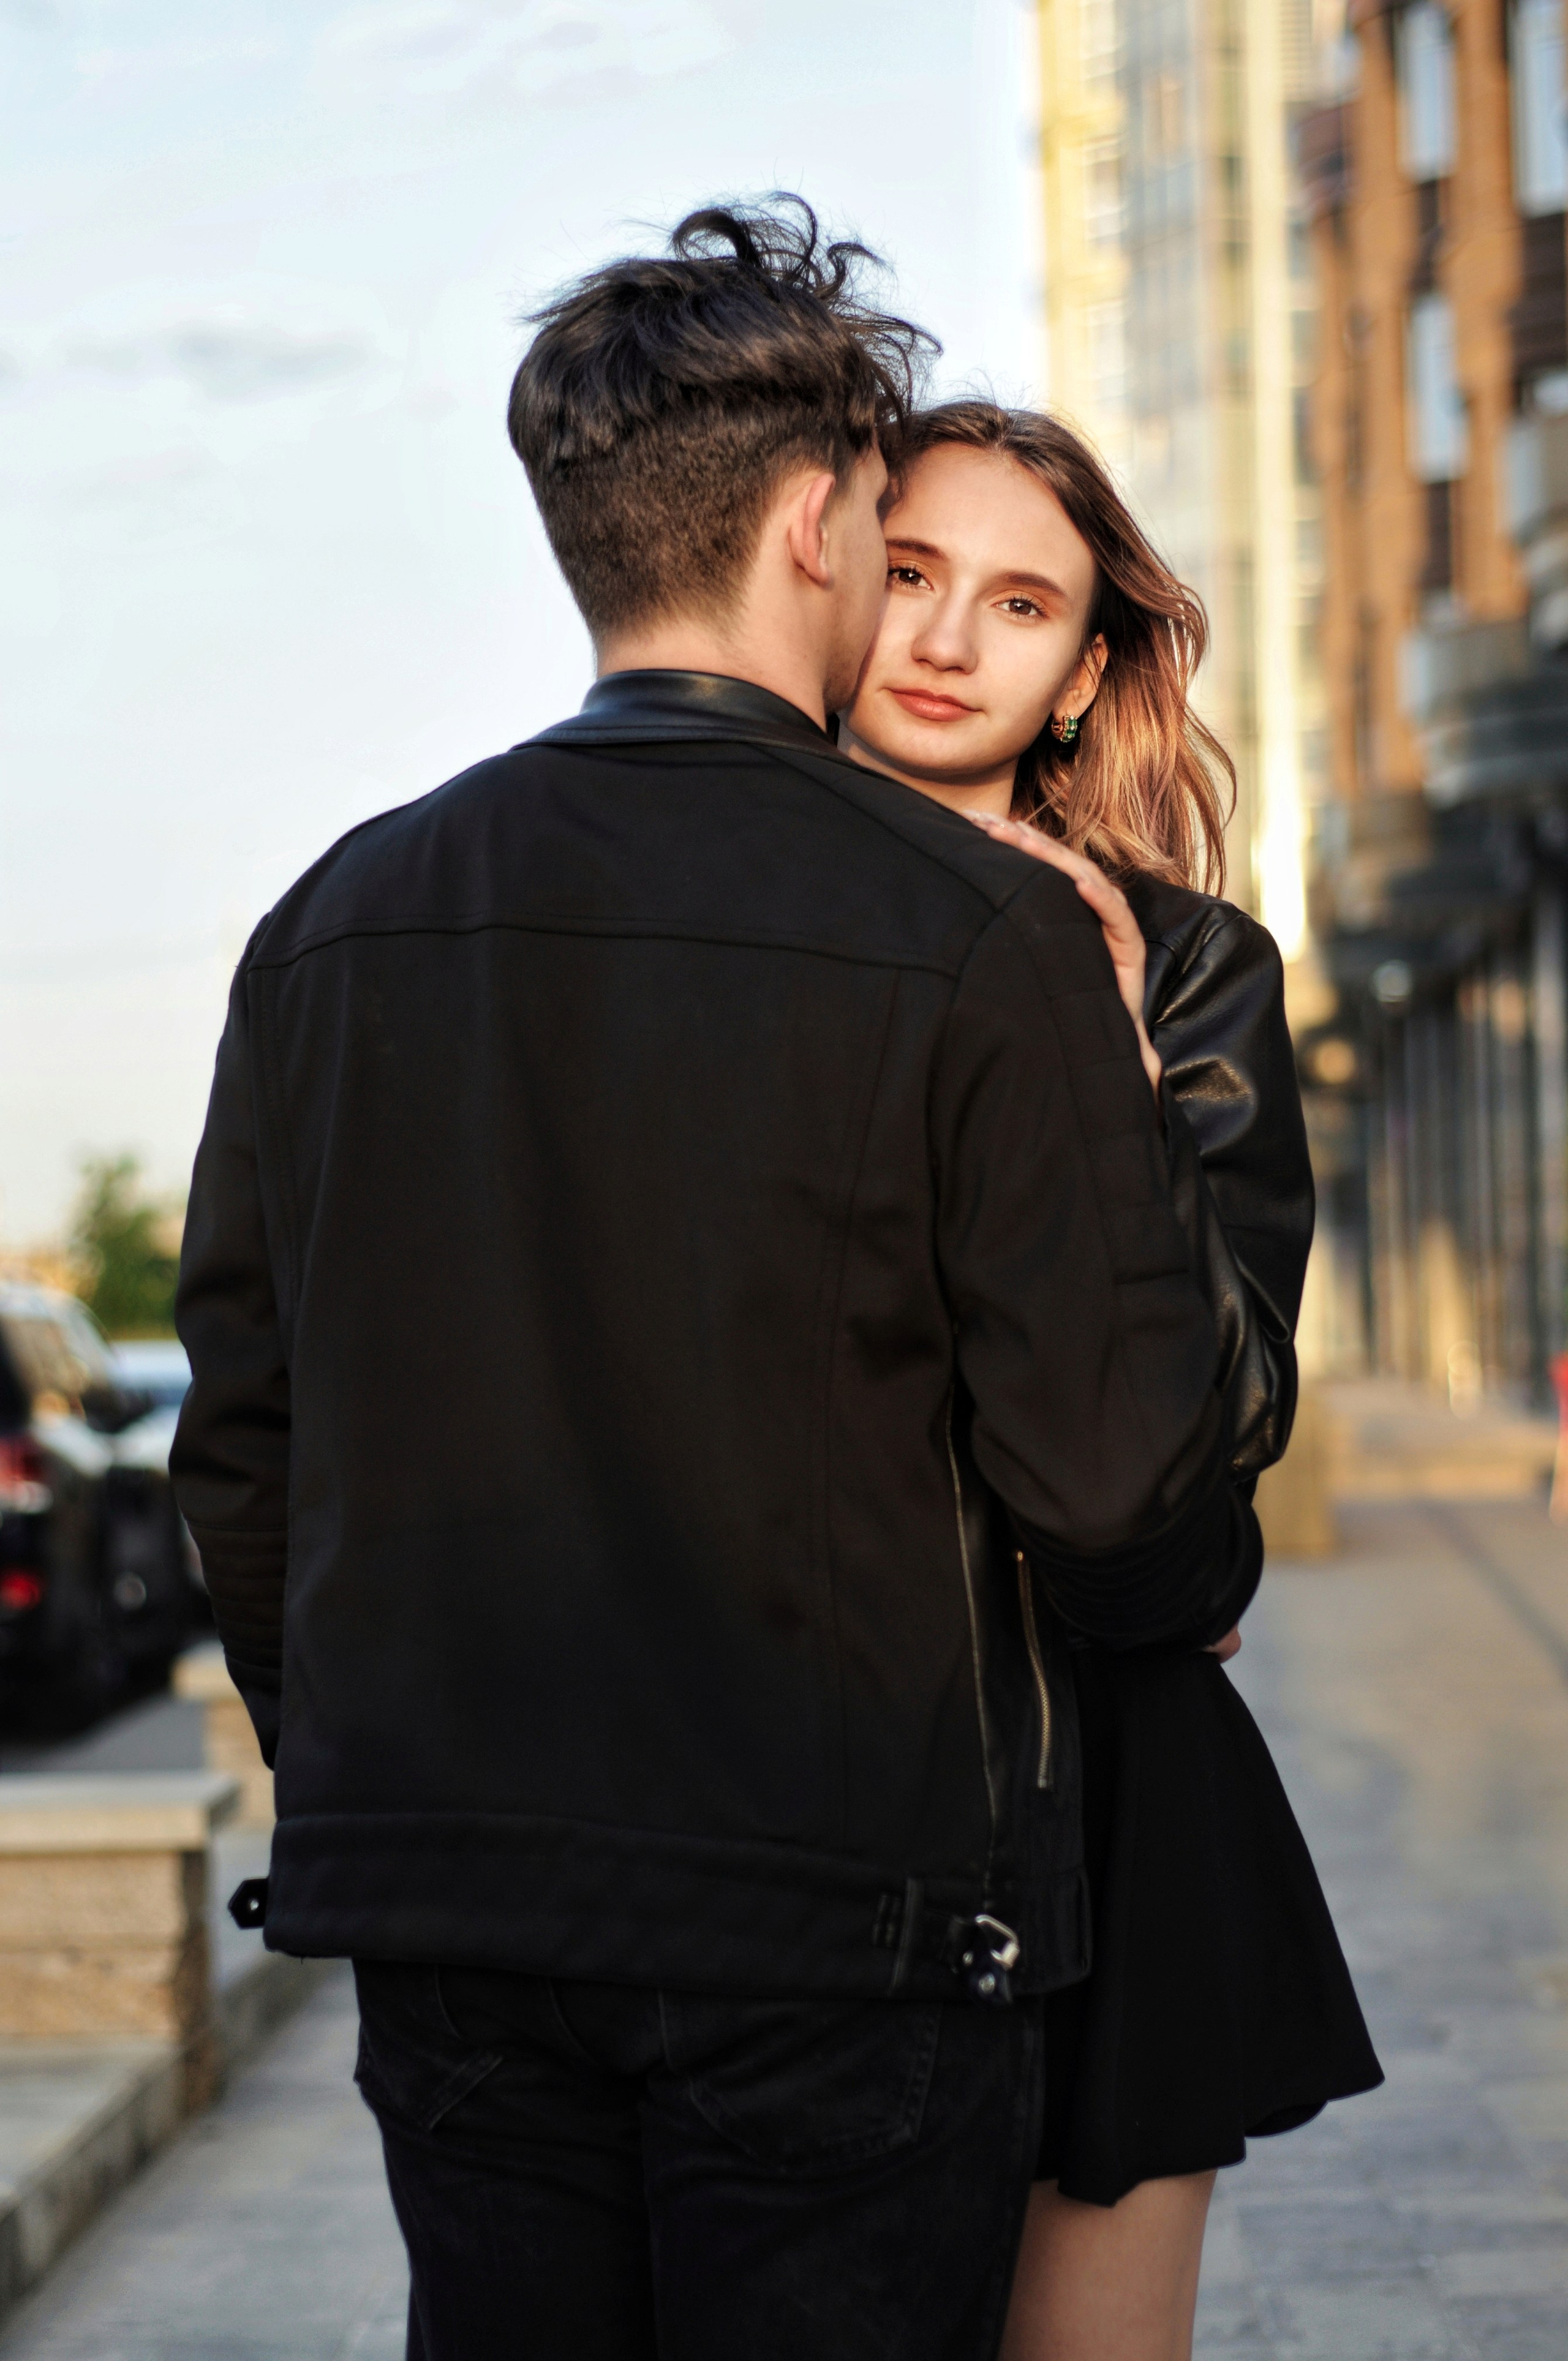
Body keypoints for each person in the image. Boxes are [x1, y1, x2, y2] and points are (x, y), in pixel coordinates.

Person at [170, 205, 1259, 2361]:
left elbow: (246, 1451)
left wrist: (393, 1797)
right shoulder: (984, 933)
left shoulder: (330, 928)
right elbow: (1126, 1500)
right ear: (805, 522)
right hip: (852, 1935)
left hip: (457, 1912)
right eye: (882, 521)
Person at [839, 397, 1383, 2361]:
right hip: (808, 1775)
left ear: (1084, 677)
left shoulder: (1194, 968)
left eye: (1018, 602)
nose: (945, 636)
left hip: (1109, 1774)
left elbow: (1223, 1434)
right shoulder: (724, 929)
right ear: (822, 569)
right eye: (910, 574)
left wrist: (1120, 1072)